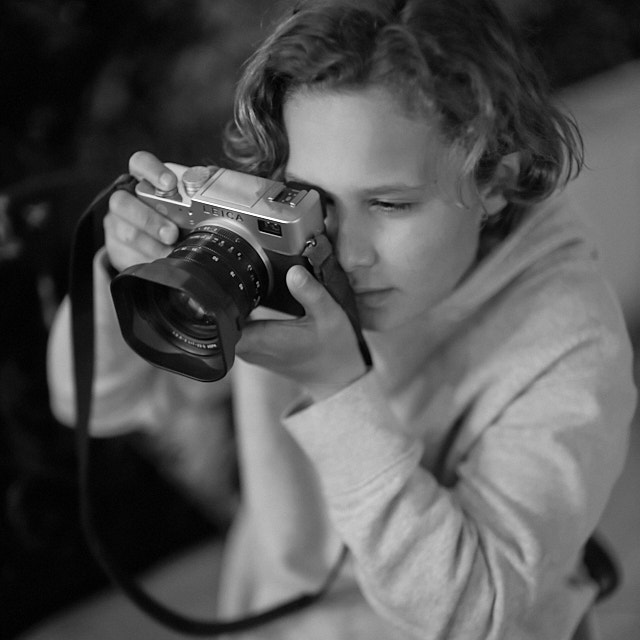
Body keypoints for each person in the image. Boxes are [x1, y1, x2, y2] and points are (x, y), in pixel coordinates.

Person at [47, 0, 637, 638]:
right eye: (312, 198)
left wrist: (338, 390)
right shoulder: (279, 242)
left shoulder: (573, 346)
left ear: (497, 179)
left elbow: (478, 611)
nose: (345, 251)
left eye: (390, 203)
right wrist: (123, 276)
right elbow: (95, 407)